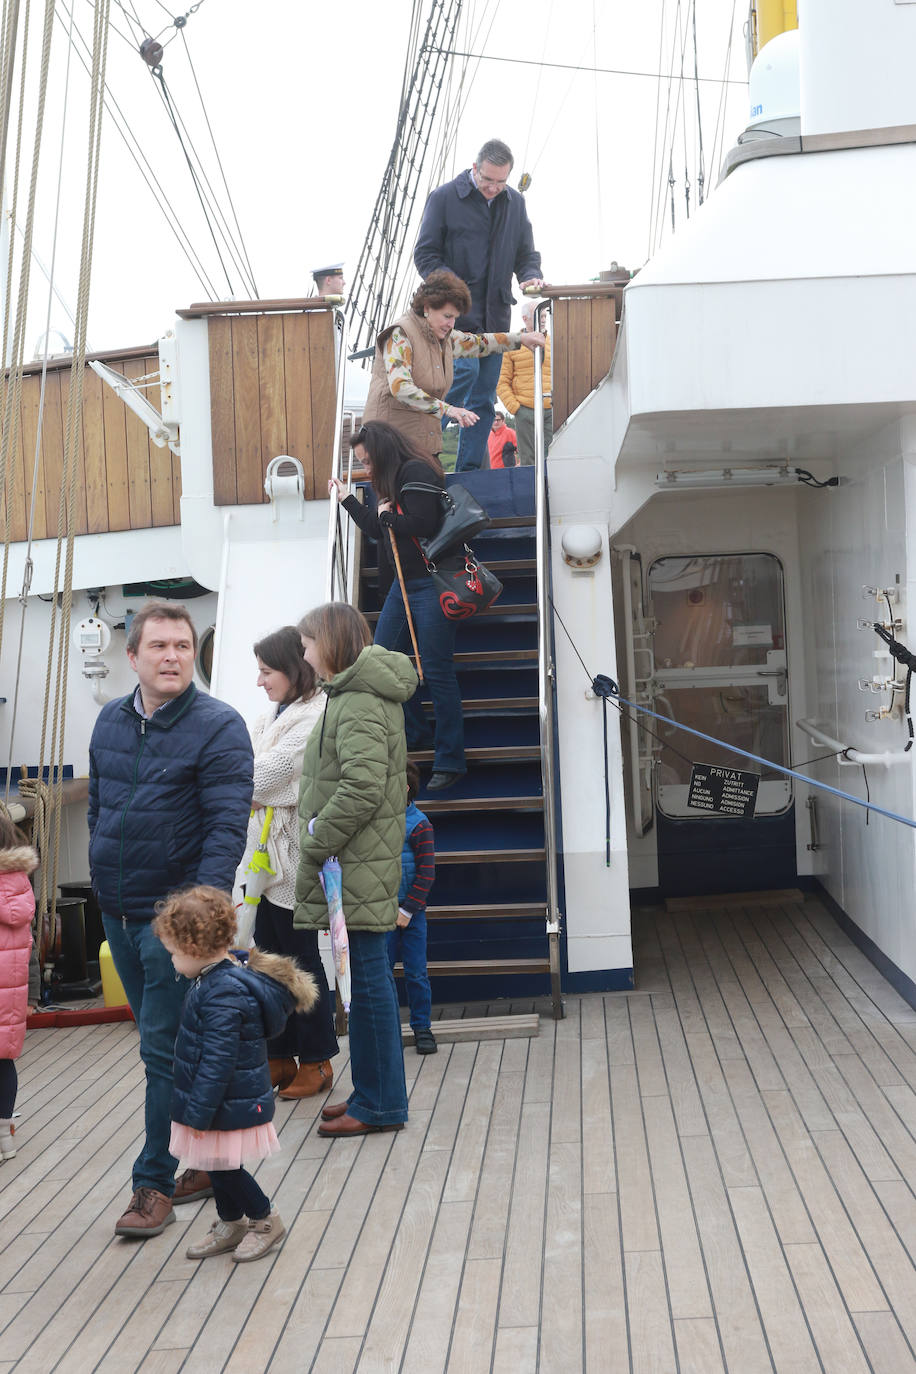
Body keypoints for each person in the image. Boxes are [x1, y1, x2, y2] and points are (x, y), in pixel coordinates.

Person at [88, 600, 254, 1238]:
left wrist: (195, 922)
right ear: (132, 657)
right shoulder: (109, 721)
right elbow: (99, 808)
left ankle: (151, 1183)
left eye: (182, 646)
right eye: (158, 646)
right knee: (167, 1046)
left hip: (169, 922)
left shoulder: (218, 727)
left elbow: (224, 830)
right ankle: (210, 1163)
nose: (172, 657)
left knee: (161, 1051)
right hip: (117, 911)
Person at [294, 602, 414, 1138]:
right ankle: (370, 1092)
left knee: (366, 989)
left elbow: (362, 787)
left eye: (307, 642)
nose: (303, 652)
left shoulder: (358, 701)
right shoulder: (354, 696)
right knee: (362, 988)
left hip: (358, 862)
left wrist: (319, 836)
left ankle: (382, 1103)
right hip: (362, 861)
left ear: (330, 644)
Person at [153, 886, 317, 1262]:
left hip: (224, 1102)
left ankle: (264, 1219)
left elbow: (218, 1061)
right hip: (221, 1101)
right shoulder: (213, 979)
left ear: (195, 950)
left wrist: (197, 1112)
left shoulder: (222, 992)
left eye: (174, 953)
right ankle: (231, 1222)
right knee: (217, 1164)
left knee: (224, 1170)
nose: (172, 961)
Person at [330, 420, 464, 791]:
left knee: (436, 671)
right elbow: (379, 529)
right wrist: (347, 500)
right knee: (379, 663)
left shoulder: (416, 471)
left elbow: (423, 522)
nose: (367, 468)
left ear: (385, 451)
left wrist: (388, 515)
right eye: (362, 462)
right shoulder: (390, 479)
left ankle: (450, 759)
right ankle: (417, 732)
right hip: (402, 587)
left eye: (368, 460)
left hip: (431, 583)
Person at [241, 626, 338, 1098]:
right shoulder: (268, 719)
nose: (259, 681)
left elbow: (261, 777)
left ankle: (317, 1059)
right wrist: (257, 791)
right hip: (261, 861)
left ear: (292, 669)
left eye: (266, 671)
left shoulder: (315, 715)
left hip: (296, 862)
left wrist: (256, 793)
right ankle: (279, 1055)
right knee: (264, 960)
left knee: (300, 962)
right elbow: (252, 775)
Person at [415, 138, 544, 470]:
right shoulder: (444, 198)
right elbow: (425, 255)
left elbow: (526, 254)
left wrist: (530, 275)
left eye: (501, 182)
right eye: (488, 180)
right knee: (460, 379)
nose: (493, 188)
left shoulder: (514, 203)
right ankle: (416, 457)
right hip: (454, 316)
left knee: (485, 399)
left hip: (495, 314)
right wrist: (450, 291)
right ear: (475, 168)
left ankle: (471, 474)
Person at [361, 270, 543, 462]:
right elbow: (401, 387)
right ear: (427, 307)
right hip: (389, 443)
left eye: (455, 317)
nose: (451, 324)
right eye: (447, 316)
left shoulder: (445, 338)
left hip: (418, 444)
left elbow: (479, 343)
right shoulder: (399, 335)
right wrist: (449, 409)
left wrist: (521, 338)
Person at [388, 761, 436, 1055]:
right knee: (382, 973)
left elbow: (426, 873)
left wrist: (407, 911)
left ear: (404, 789)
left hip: (412, 914)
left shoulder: (419, 824)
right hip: (382, 912)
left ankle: (422, 1027)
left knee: (416, 973)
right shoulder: (378, 822)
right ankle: (389, 1030)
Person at [0, 814, 38, 1162]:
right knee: (5, 1060)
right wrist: (36, 994)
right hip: (12, 995)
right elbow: (30, 946)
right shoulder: (20, 885)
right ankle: (4, 1135)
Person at [498, 301, 553, 464]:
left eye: (544, 316)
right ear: (524, 318)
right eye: (539, 316)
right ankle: (530, 490)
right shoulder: (513, 344)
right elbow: (501, 382)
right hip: (525, 410)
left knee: (552, 458)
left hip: (551, 409)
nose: (543, 320)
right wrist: (516, 409)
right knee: (528, 460)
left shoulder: (554, 341)